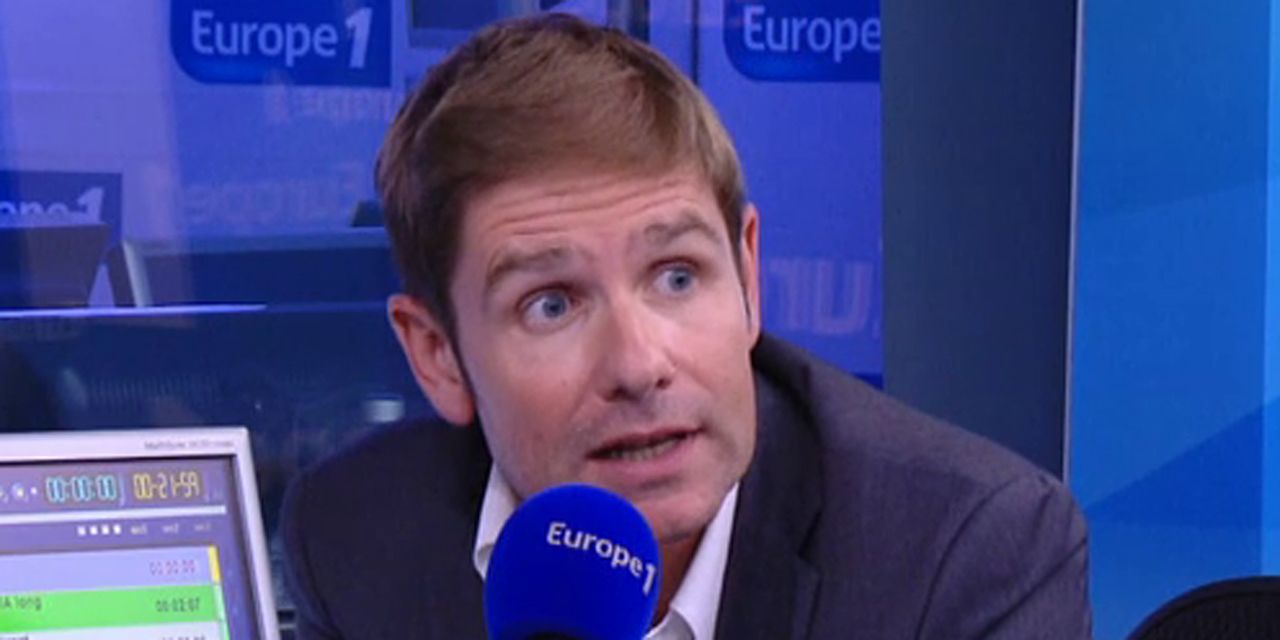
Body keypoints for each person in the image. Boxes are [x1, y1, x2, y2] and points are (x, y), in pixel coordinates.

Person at [280, 13, 1091, 639]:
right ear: (437, 355)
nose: (639, 365)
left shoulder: (966, 554)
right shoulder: (355, 534)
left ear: (747, 276)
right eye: (551, 304)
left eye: (676, 276)